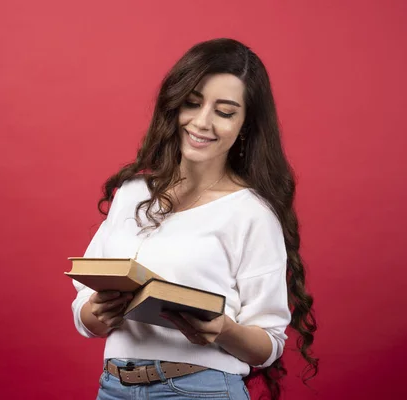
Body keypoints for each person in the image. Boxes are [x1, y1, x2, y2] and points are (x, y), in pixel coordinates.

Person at [71, 38, 318, 400]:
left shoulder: (251, 213)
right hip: (114, 387)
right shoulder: (133, 193)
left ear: (244, 125)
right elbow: (84, 308)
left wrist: (222, 330)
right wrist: (97, 313)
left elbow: (269, 344)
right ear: (174, 104)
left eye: (225, 111)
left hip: (199, 390)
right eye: (193, 102)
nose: (202, 122)